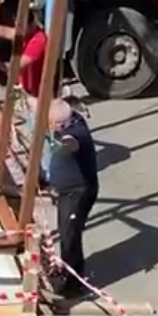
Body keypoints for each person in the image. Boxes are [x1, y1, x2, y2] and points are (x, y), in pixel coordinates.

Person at [42, 95, 98, 301]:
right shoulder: (71, 118)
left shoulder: (76, 133)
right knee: (67, 231)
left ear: (59, 124)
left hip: (78, 193)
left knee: (70, 235)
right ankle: (68, 269)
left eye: (50, 123)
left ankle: (73, 284)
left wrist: (61, 142)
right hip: (67, 190)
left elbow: (72, 143)